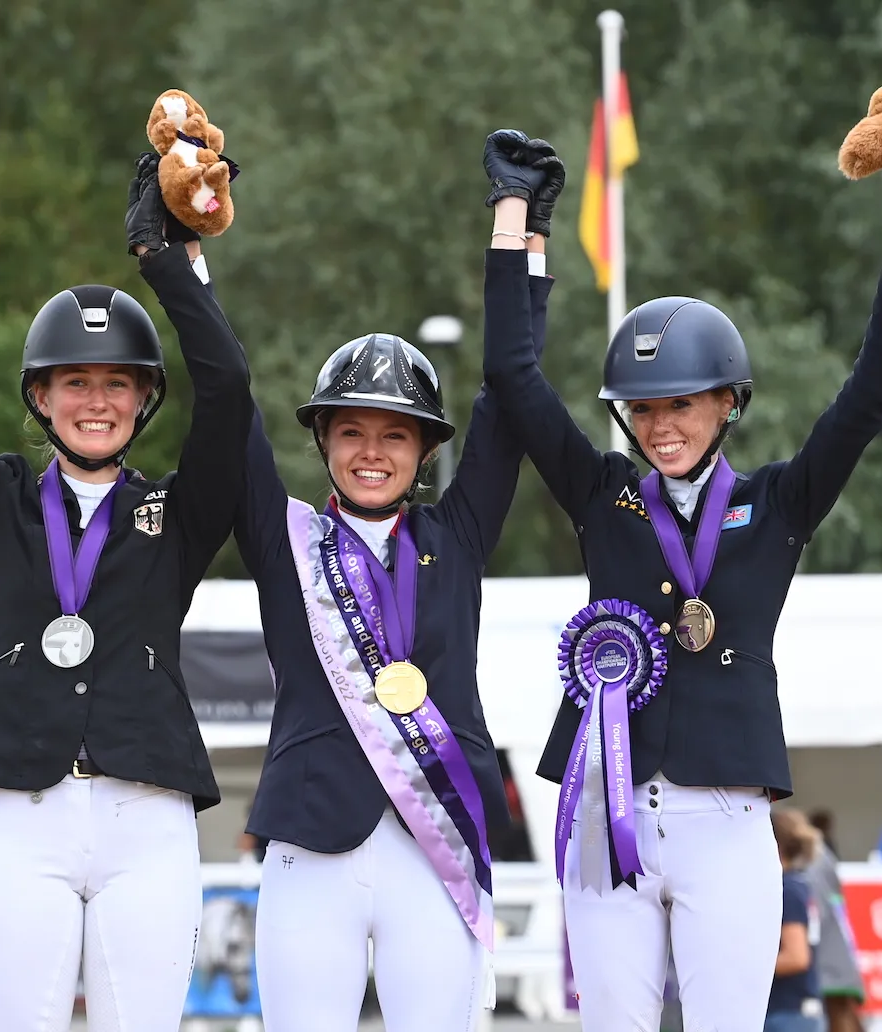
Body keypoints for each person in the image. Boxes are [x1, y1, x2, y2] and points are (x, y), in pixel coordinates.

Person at [479, 127, 882, 1030]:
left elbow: (866, 403)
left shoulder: (778, 504)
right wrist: (514, 222)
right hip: (606, 814)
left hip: (725, 819)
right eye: (643, 410)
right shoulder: (603, 495)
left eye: (680, 404)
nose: (659, 427)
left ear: (727, 402)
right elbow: (511, 376)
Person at [0, 107, 251, 1031]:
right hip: (20, 812)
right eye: (75, 381)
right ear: (40, 395)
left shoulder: (177, 515)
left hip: (145, 816)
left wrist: (161, 258)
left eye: (117, 382)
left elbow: (230, 390)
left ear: (144, 399)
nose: (96, 400)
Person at [232, 139, 564, 1031]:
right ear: (322, 443)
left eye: (395, 434)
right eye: (350, 432)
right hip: (313, 840)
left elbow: (509, 390)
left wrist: (518, 232)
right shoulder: (282, 537)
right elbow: (226, 397)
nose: (371, 452)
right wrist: (183, 251)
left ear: (424, 449)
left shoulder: (457, 534)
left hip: (435, 843)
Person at [805, 810, 865, 1032]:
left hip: (826, 957)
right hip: (836, 951)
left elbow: (817, 914)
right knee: (841, 1011)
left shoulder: (815, 861)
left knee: (838, 1013)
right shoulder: (823, 856)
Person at [768, 808, 824, 1032]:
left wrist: (742, 968)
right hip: (797, 1012)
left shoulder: (787, 890)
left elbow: (796, 957)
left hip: (787, 1013)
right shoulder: (799, 884)